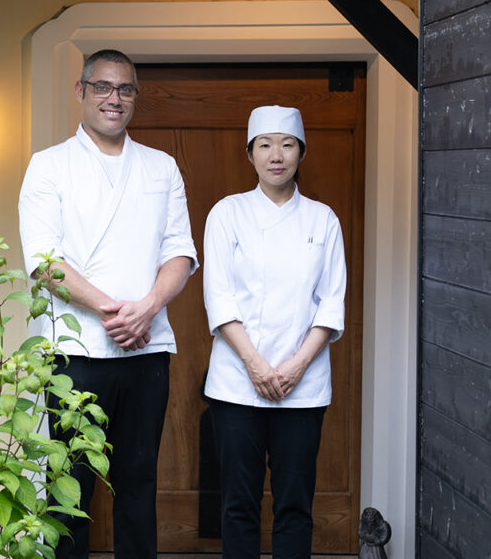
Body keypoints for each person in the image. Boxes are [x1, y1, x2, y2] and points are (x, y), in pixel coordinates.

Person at [18, 49, 197, 559]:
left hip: (147, 351)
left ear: (135, 97)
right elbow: (44, 261)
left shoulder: (161, 166)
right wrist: (115, 312)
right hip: (74, 352)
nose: (113, 99)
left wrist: (148, 307)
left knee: (139, 483)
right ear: (81, 91)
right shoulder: (48, 166)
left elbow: (180, 251)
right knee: (69, 491)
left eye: (125, 89)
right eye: (102, 87)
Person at [202, 105, 346, 559]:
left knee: (294, 505)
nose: (276, 155)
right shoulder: (227, 214)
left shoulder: (323, 219)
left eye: (286, 144)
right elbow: (218, 296)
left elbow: (332, 301)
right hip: (236, 383)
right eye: (265, 145)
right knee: (238, 505)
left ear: (301, 152)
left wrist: (296, 366)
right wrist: (257, 365)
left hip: (302, 388)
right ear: (251, 154)